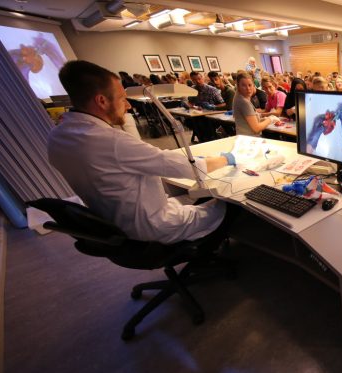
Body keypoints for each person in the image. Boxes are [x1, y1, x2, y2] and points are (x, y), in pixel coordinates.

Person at [48, 60, 238, 244]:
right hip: (152, 227)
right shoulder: (110, 141)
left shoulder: (57, 136)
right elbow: (188, 168)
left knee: (196, 196)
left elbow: (137, 161)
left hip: (117, 222)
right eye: (122, 98)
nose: (128, 106)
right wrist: (224, 159)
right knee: (230, 204)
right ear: (102, 101)